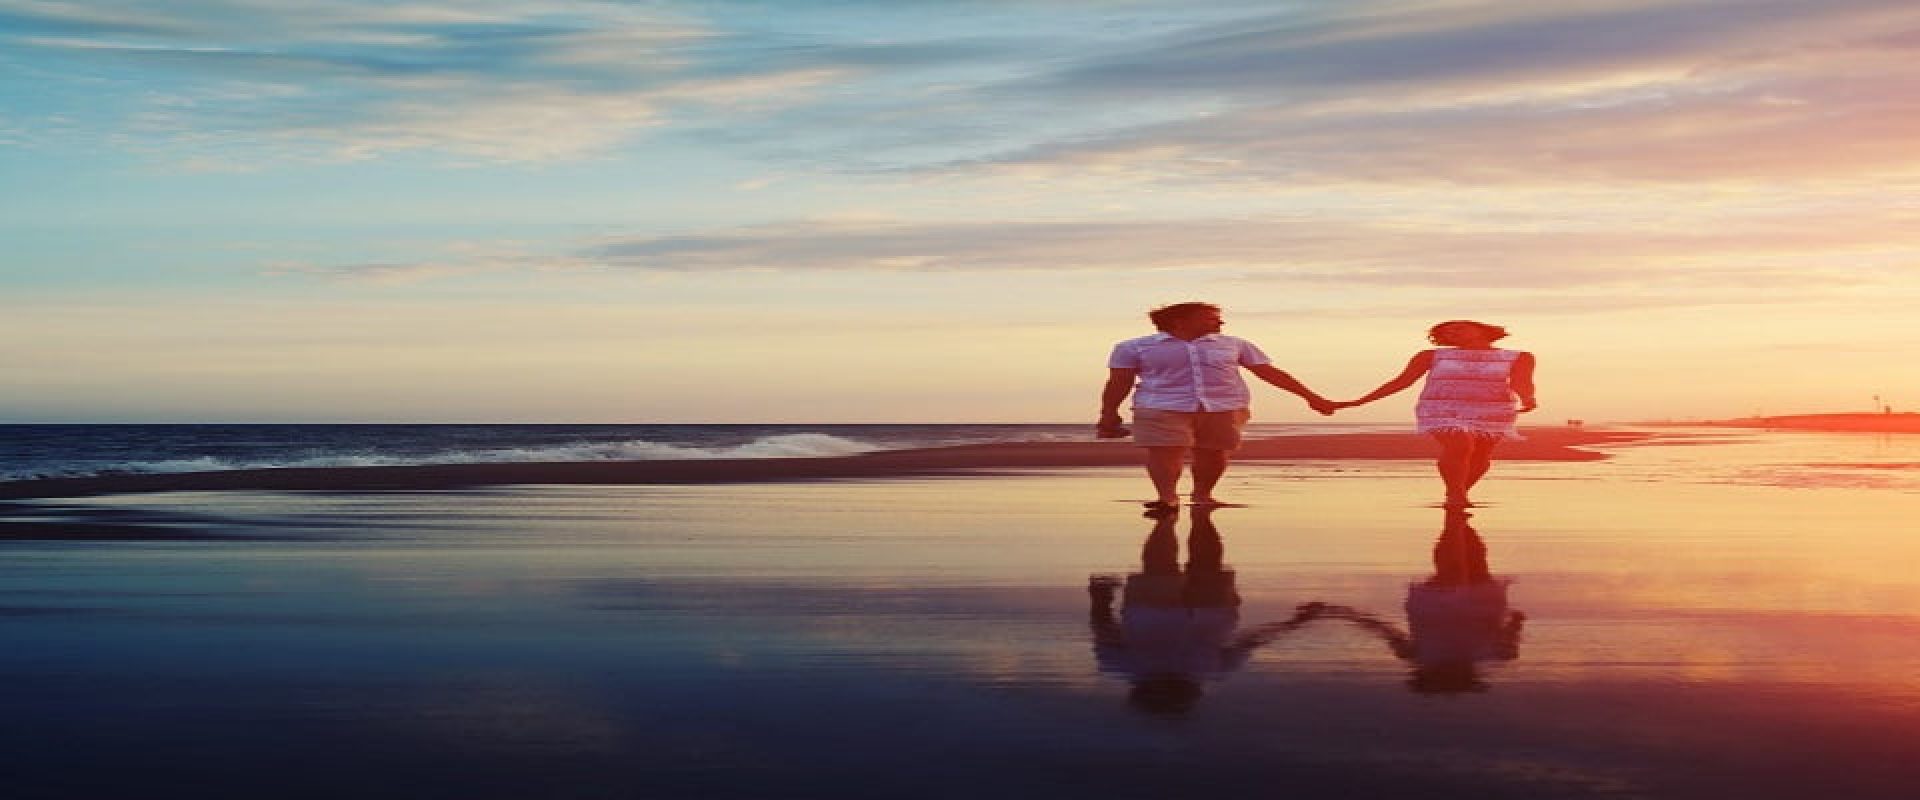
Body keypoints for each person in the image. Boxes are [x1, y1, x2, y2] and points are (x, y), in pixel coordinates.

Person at [1097, 302, 1333, 510]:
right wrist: (1109, 413)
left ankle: (1202, 495)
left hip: (1224, 405)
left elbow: (1269, 373)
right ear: (1180, 321)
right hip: (1161, 404)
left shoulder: (1235, 344)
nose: (1220, 322)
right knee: (1165, 451)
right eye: (1209, 318)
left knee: (1214, 452)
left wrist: (1311, 397)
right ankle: (1167, 498)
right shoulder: (1132, 347)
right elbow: (1119, 381)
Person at [1087, 507, 1316, 714]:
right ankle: (1194, 516)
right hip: (1209, 608)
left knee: (1160, 564)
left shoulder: (1123, 666)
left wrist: (1100, 597)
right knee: (1203, 560)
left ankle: (1167, 521)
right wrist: (1295, 622)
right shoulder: (1211, 671)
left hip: (1154, 608)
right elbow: (1252, 640)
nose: (1166, 691)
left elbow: (1103, 627)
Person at [1334, 319, 1537, 508]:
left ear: (1480, 328)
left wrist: (1528, 398)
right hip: (1441, 408)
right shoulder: (1430, 356)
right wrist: (1358, 402)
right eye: (1448, 333)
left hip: (1492, 409)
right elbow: (1401, 382)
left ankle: (1457, 493)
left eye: (1458, 328)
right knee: (1461, 443)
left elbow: (1521, 382)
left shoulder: (1519, 357)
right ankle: (1456, 495)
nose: (1453, 334)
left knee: (1481, 454)